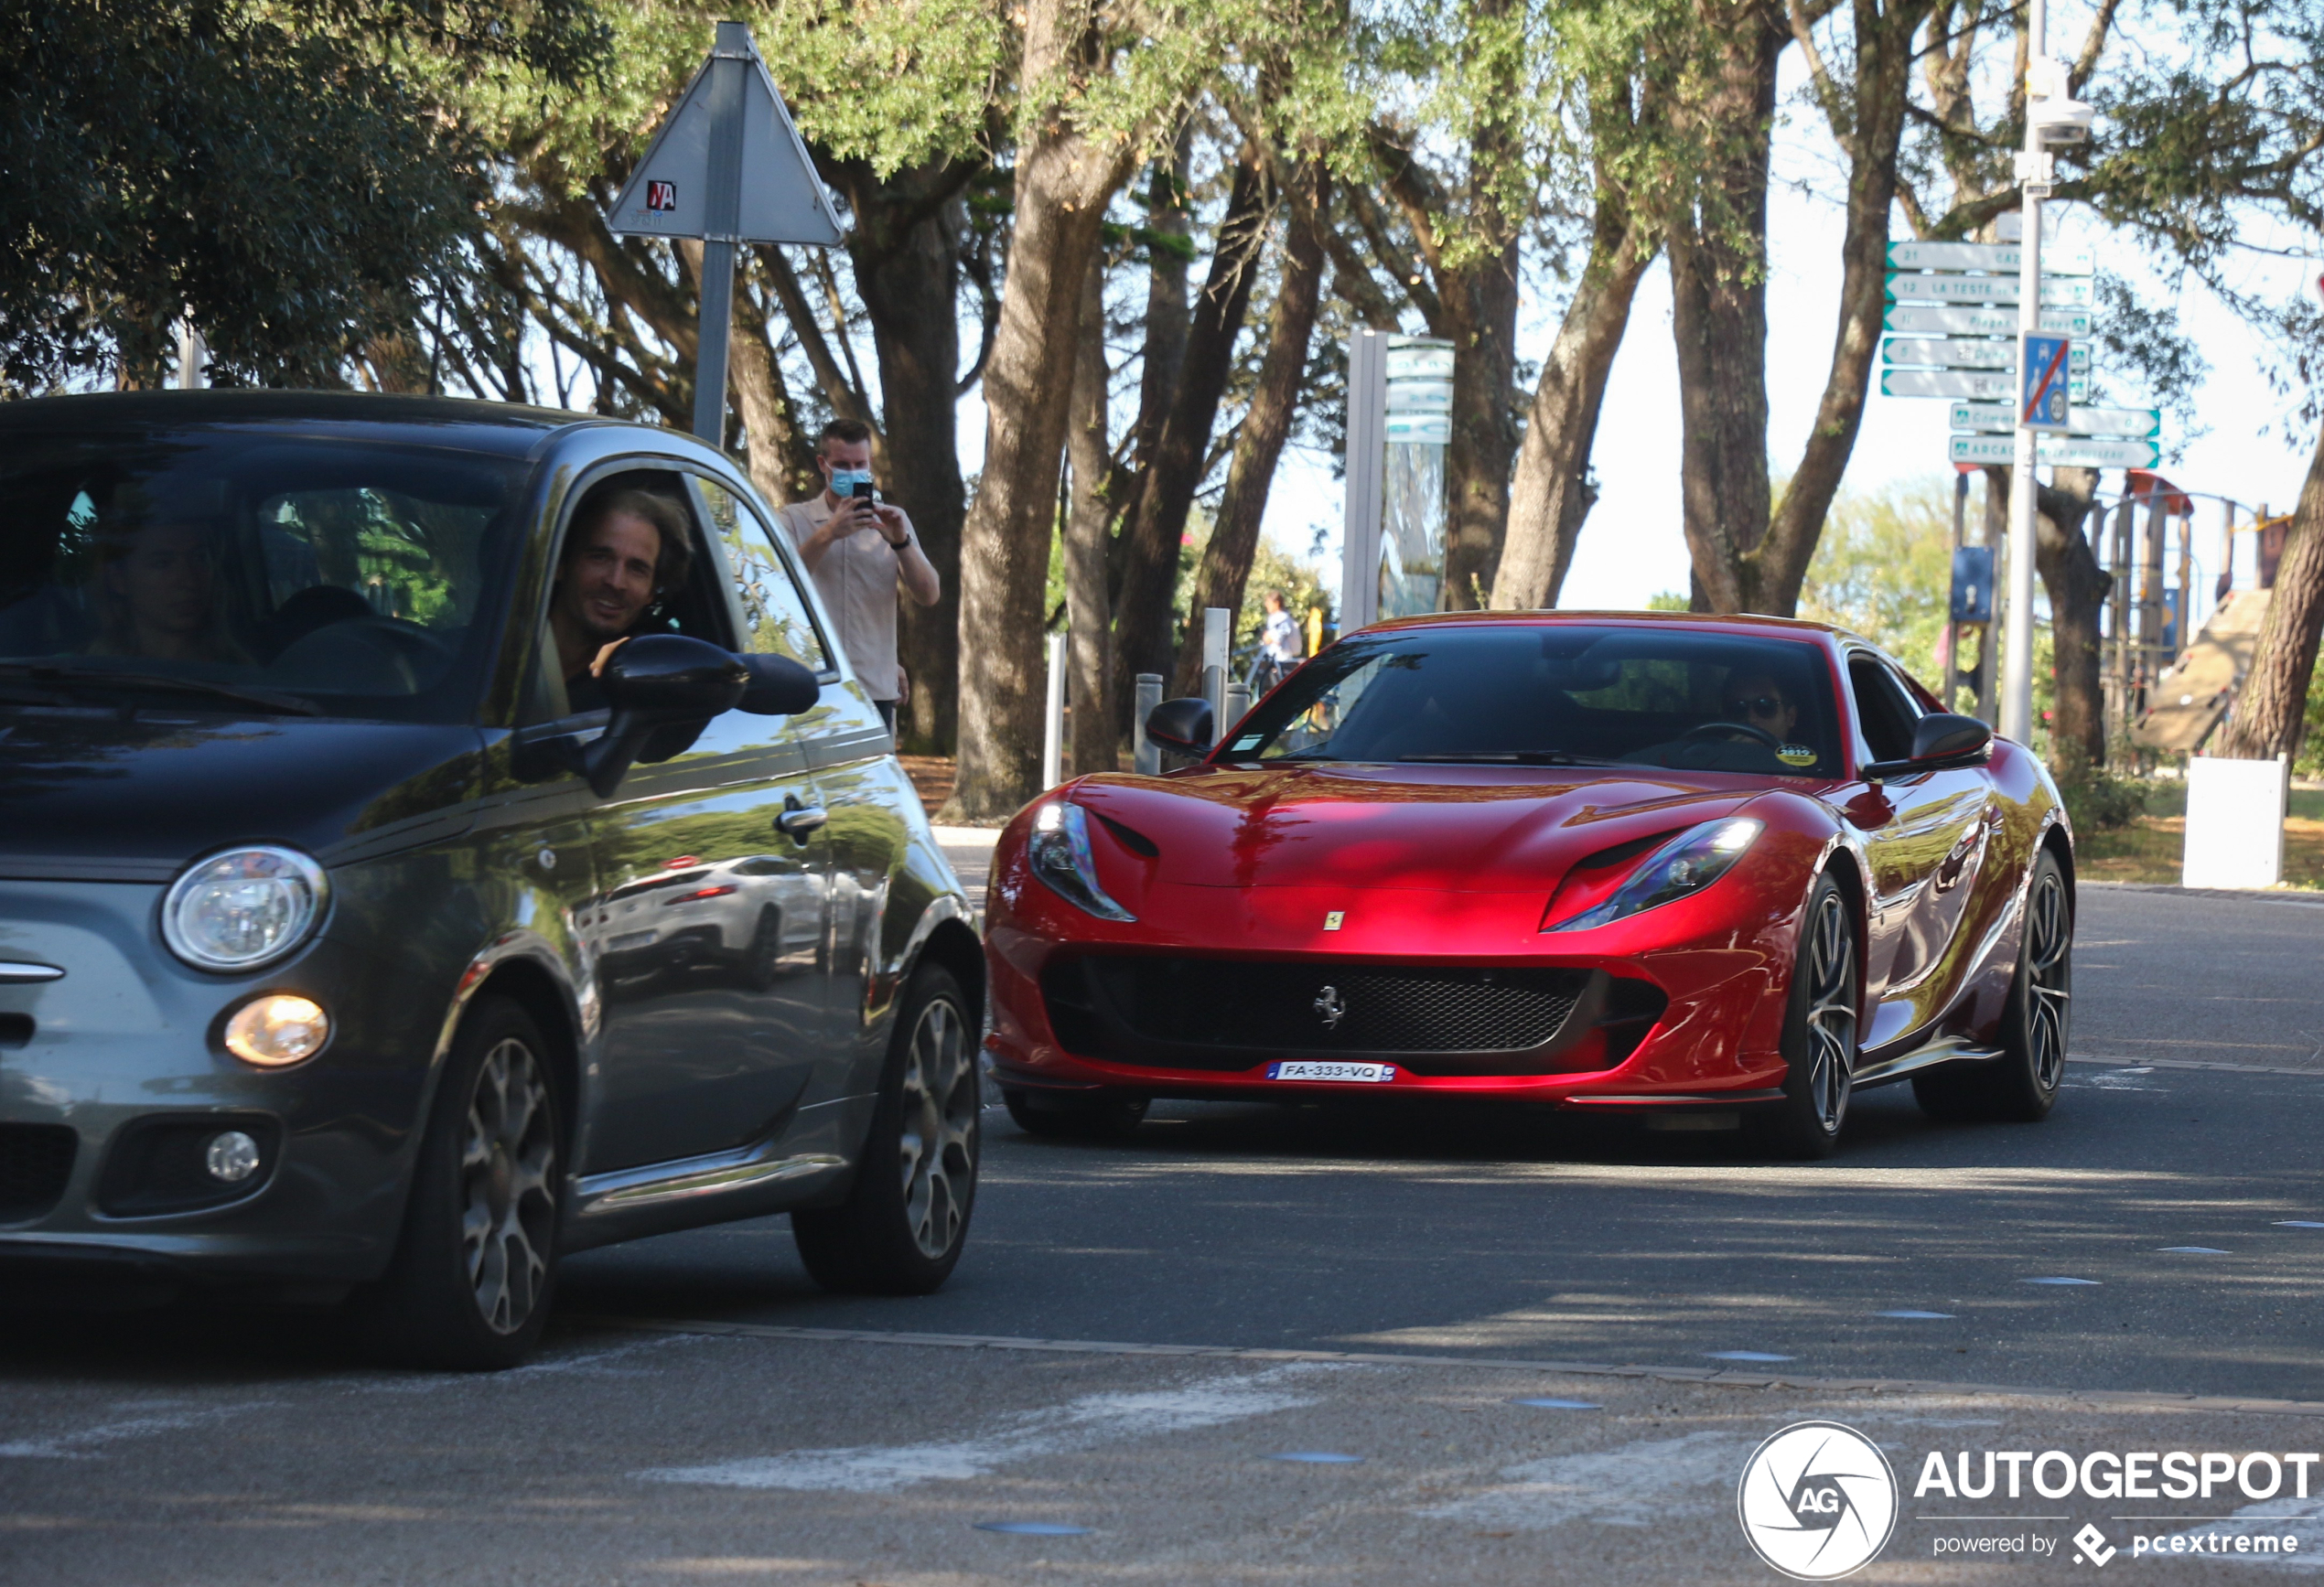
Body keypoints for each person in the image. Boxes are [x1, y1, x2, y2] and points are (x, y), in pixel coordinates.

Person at [774, 419, 940, 739]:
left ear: (870, 464)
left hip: (873, 690)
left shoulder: (892, 521)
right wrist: (828, 534)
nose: (852, 472)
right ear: (823, 465)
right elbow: (781, 584)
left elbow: (929, 594)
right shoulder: (794, 520)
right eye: (841, 465)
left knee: (871, 787)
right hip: (812, 687)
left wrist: (901, 543)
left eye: (859, 464)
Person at [549, 487, 692, 712]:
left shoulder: (649, 677)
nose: (616, 582)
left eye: (637, 569)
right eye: (600, 557)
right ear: (561, 564)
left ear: (651, 592)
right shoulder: (491, 649)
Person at [90, 516, 246, 663]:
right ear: (118, 579)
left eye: (200, 558)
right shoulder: (95, 674)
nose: (189, 580)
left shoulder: (240, 672)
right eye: (162, 564)